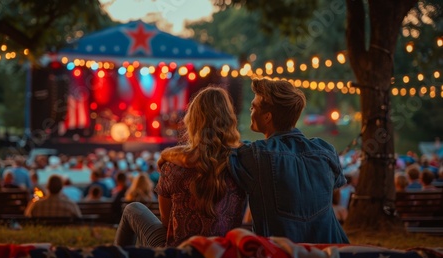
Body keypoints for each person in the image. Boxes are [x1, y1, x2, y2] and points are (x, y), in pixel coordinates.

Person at [114, 87, 246, 247]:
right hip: (225, 253)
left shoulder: (172, 167)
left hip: (179, 256)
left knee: (132, 209)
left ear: (192, 120)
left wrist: (166, 154)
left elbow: (166, 221)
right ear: (230, 119)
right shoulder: (242, 162)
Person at [228, 77, 348, 244]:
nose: (251, 110)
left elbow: (219, 155)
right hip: (332, 253)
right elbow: (336, 186)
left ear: (267, 117)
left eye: (253, 107)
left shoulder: (255, 155)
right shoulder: (325, 151)